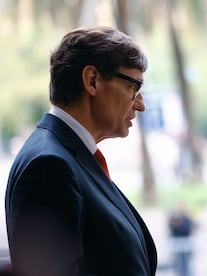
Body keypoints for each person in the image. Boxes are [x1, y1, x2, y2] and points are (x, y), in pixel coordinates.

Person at [5, 26, 157, 276]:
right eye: (133, 88)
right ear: (92, 81)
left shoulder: (68, 156)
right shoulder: (49, 165)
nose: (140, 105)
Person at [168, 202, 195, 276]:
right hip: (178, 246)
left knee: (186, 265)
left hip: (186, 245)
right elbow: (174, 229)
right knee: (179, 265)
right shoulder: (174, 218)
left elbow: (189, 228)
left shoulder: (187, 218)